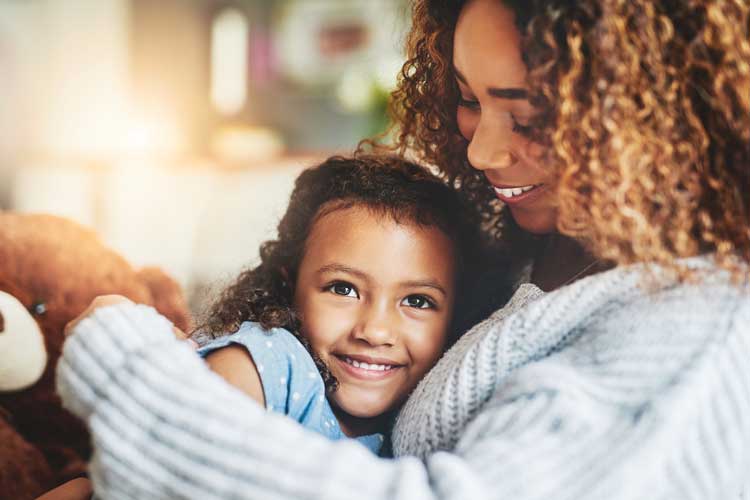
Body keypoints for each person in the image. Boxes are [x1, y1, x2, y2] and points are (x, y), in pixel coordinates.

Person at [57, 0, 749, 498]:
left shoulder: (700, 336)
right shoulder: (530, 244)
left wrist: (129, 374)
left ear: (656, 116)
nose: (480, 149)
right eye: (468, 97)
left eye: (530, 113)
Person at [190, 154, 503, 454]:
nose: (375, 331)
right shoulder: (266, 366)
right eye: (343, 289)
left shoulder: (426, 417)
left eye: (417, 301)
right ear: (289, 285)